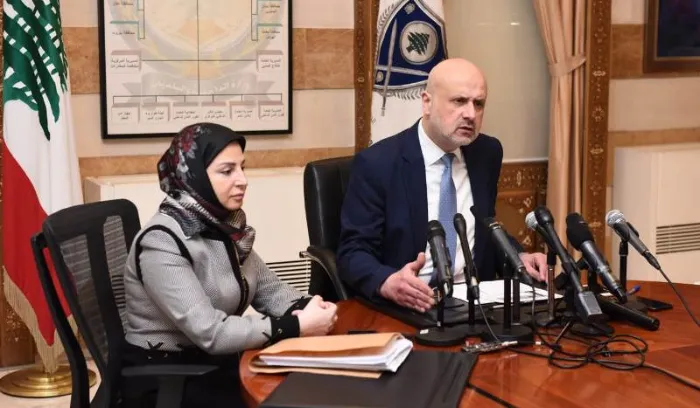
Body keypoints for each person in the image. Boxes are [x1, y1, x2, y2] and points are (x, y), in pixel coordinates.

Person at [122, 123, 338, 407]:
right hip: (169, 379)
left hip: (215, 362)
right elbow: (211, 333)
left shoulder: (224, 226)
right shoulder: (161, 242)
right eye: (227, 171)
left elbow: (270, 290)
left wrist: (312, 308)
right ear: (194, 176)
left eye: (242, 168)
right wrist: (296, 325)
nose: (242, 180)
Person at [337, 58, 547, 313]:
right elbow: (352, 253)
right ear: (427, 102)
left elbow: (482, 231)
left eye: (478, 104)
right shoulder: (378, 163)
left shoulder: (486, 153)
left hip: (476, 304)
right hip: (410, 306)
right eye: (459, 101)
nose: (470, 114)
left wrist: (518, 256)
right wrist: (388, 282)